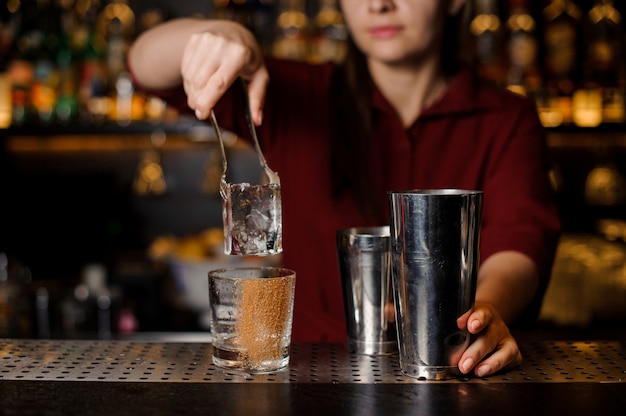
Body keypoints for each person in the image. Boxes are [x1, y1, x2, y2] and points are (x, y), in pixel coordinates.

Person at [127, 0, 561, 378]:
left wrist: (480, 316)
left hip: (450, 373)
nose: (378, 4)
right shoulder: (299, 96)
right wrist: (224, 35)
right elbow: (145, 66)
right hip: (307, 383)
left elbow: (520, 243)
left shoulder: (507, 117)